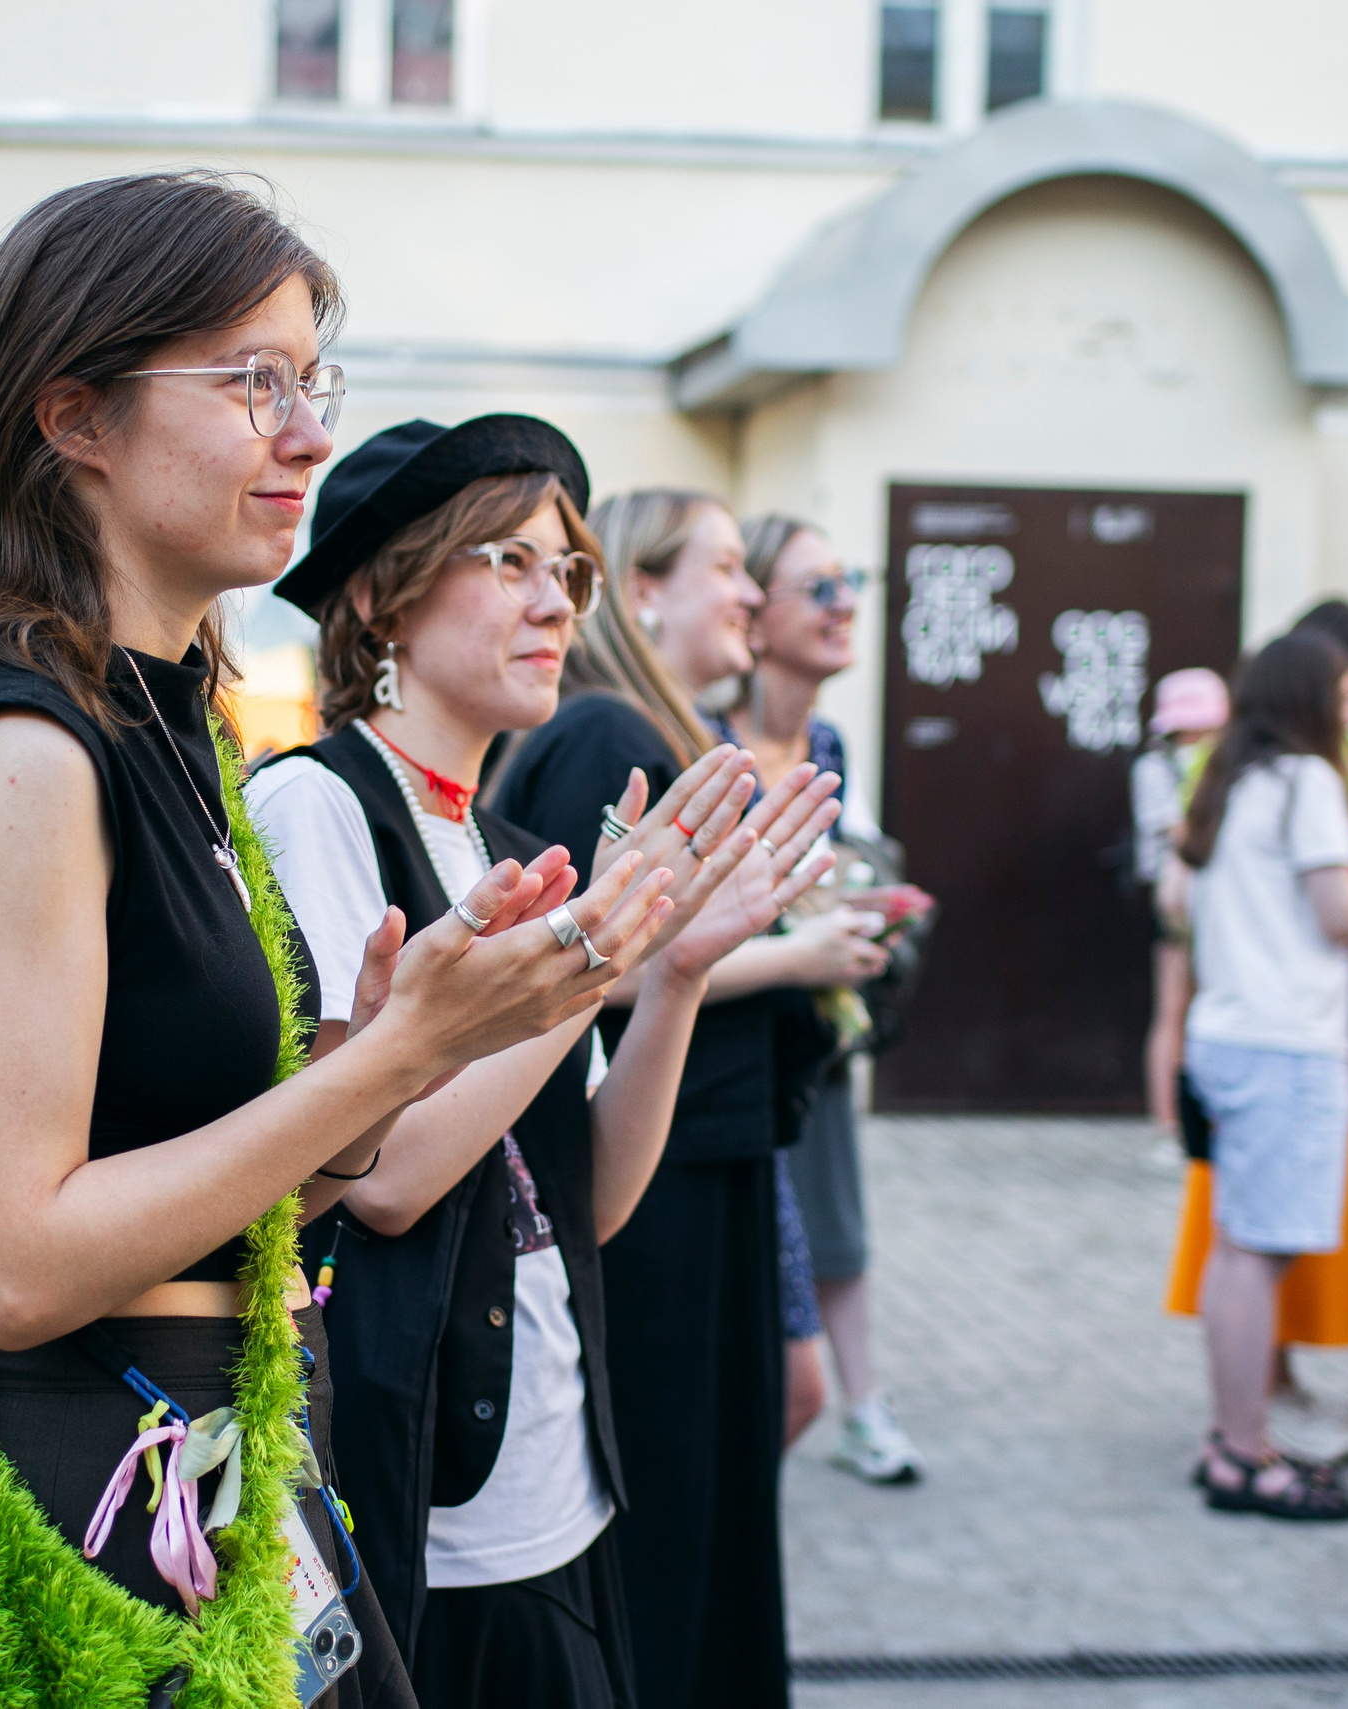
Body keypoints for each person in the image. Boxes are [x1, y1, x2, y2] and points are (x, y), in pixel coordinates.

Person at [0, 173, 692, 1708]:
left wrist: (387, 1047)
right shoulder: (21, 748)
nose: (305, 436)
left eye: (312, 385)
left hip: (229, 1459)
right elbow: (20, 1265)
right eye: (252, 384)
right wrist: (406, 1058)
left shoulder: (170, 726)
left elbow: (252, 1178)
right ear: (75, 416)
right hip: (98, 1501)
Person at [258, 436, 839, 1708]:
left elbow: (595, 1201)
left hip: (559, 1478)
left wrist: (675, 973)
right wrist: (594, 950)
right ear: (380, 594)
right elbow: (384, 1179)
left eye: (567, 570)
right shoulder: (317, 803)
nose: (554, 602)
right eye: (508, 560)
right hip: (411, 1487)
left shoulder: (511, 842)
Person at [492, 486, 842, 1708]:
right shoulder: (605, 735)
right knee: (684, 1496)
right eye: (728, 566)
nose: (751, 592)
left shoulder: (646, 727)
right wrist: (797, 956)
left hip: (696, 1150)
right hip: (663, 1165)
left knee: (720, 1476)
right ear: (642, 590)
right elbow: (579, 966)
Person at [1167, 631, 1348, 1521]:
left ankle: (1228, 1437)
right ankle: (1245, 1450)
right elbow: (1339, 911)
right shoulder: (1308, 781)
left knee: (1236, 1249)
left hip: (1227, 1033)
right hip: (1289, 1042)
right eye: (1345, 692)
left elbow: (1183, 901)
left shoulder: (1230, 782)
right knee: (1260, 1256)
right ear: (1310, 697)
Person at [723, 512, 913, 1486]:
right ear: (755, 614)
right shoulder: (706, 740)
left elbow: (843, 862)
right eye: (821, 588)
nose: (845, 607)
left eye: (851, 584)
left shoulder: (828, 738)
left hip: (816, 1022)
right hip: (733, 1027)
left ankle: (861, 1402)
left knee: (834, 1218)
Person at [1133, 667, 1229, 1138]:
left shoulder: (1221, 767)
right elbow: (1177, 833)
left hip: (1216, 900)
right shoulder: (1156, 769)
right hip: (1174, 901)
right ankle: (1167, 1121)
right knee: (1173, 1007)